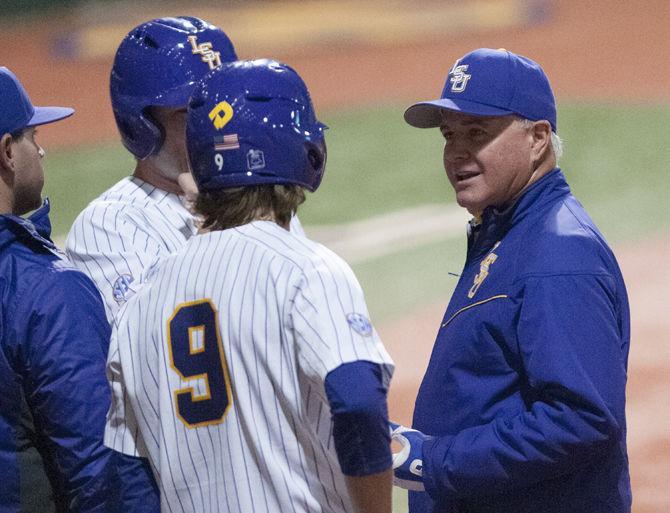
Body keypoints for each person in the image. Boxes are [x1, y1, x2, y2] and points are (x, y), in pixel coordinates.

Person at [103, 58, 395, 513]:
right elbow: (357, 399)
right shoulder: (308, 269)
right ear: (306, 152)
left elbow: (126, 464)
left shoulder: (141, 301)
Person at [389, 48, 631, 513]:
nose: (456, 151)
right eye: (449, 134)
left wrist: (433, 460)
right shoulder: (510, 233)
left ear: (538, 138)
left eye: (477, 132)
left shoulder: (558, 252)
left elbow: (582, 419)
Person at [0, 67, 157, 511]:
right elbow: (97, 468)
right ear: (8, 152)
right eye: (32, 135)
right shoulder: (46, 293)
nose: (42, 149)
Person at [65, 16, 240, 323]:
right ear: (142, 125)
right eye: (189, 114)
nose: (215, 127)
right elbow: (149, 341)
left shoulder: (255, 194)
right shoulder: (109, 225)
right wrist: (216, 226)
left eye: (221, 108)